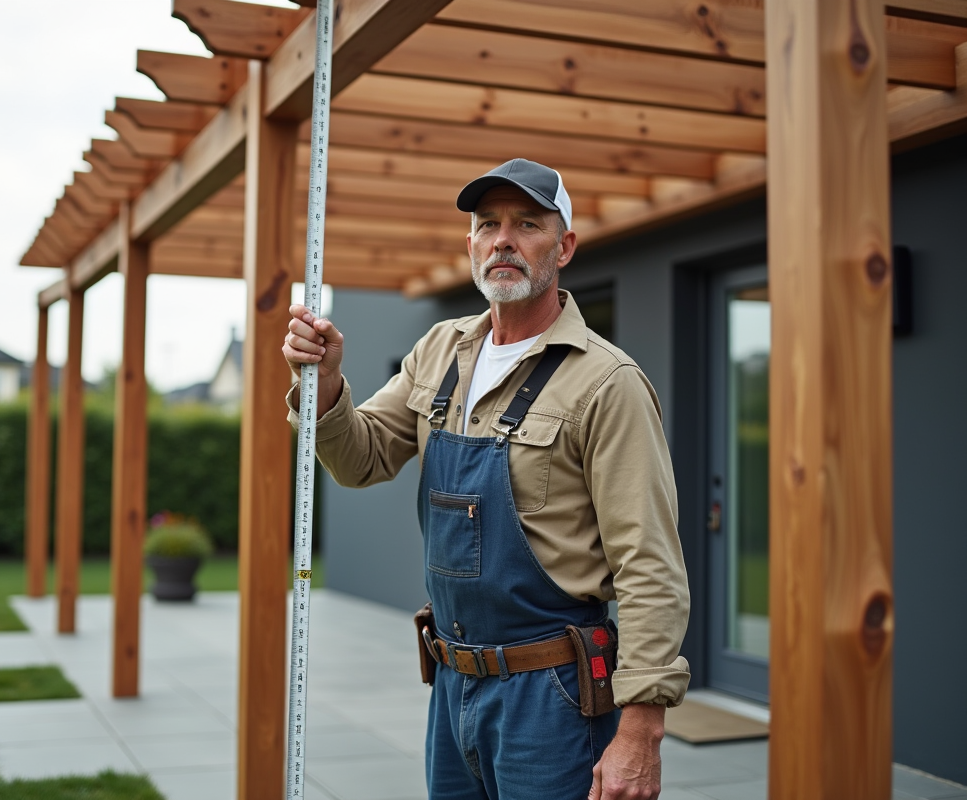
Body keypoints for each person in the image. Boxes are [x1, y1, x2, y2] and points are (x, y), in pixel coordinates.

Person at [282, 158, 690, 800]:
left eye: (528, 223)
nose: (504, 239)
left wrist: (641, 729)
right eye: (487, 224)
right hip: (451, 685)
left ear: (565, 246)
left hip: (554, 697)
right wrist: (327, 382)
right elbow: (360, 460)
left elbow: (649, 567)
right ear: (470, 244)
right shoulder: (438, 352)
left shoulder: (608, 384)